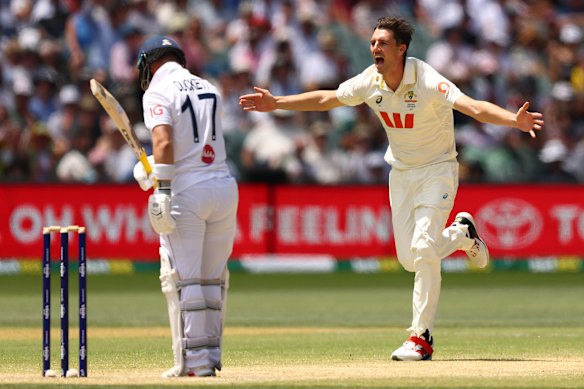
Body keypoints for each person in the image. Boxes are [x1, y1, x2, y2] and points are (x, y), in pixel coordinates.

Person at [239, 17, 543, 361]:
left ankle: (421, 338)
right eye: (372, 43)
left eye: (382, 43)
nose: (374, 49)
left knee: (425, 247)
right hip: (401, 174)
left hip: (437, 171)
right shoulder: (371, 81)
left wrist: (512, 120)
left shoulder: (426, 78)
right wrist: (277, 103)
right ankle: (461, 235)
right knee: (411, 260)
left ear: (401, 49)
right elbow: (328, 98)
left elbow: (471, 107)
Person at [132, 35, 238, 377]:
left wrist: (160, 186)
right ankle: (209, 356)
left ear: (150, 64)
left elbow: (164, 141)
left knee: (181, 279)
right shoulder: (210, 86)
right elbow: (194, 143)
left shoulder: (157, 91)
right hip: (223, 186)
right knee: (211, 280)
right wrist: (151, 165)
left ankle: (191, 363)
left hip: (186, 190)